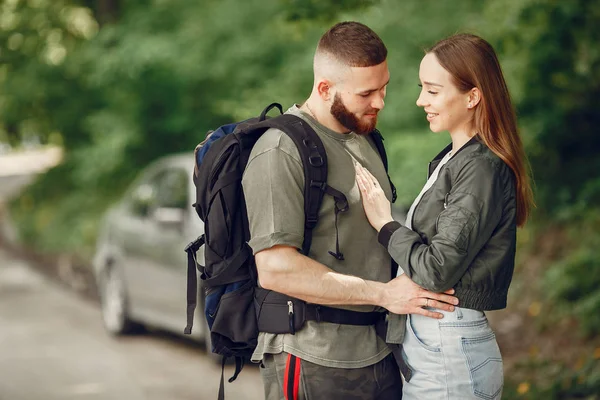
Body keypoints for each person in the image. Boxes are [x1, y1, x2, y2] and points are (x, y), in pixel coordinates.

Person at [242, 22, 459, 400]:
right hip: (313, 359)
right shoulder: (280, 150)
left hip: (380, 355)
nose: (380, 102)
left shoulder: (365, 138)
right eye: (367, 93)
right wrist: (385, 295)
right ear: (325, 88)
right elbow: (276, 269)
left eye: (384, 87)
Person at [355, 33, 534, 399]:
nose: (421, 100)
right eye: (423, 88)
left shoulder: (481, 168)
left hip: (449, 348)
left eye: (432, 91)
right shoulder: (454, 159)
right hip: (436, 342)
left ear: (472, 96)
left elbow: (436, 269)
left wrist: (385, 225)